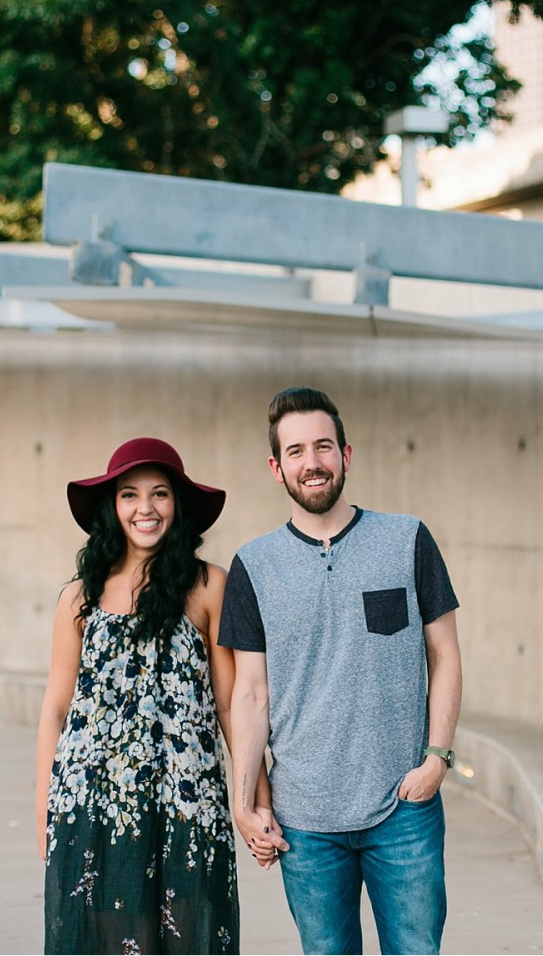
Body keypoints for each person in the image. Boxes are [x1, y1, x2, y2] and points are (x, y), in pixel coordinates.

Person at [220, 387, 464, 956]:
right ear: (277, 467)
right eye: (297, 451)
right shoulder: (253, 566)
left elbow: (446, 656)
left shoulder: (406, 539)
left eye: (323, 447)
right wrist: (243, 802)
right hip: (305, 820)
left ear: (346, 456)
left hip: (403, 809)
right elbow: (250, 694)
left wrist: (438, 758)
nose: (313, 463)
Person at [36, 437, 272, 955]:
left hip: (186, 804)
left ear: (177, 505)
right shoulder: (79, 597)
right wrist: (43, 812)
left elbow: (233, 705)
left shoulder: (210, 585)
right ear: (112, 507)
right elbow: (56, 710)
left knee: (191, 938)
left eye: (160, 494)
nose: (145, 508)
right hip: (92, 803)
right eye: (129, 495)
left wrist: (258, 797)